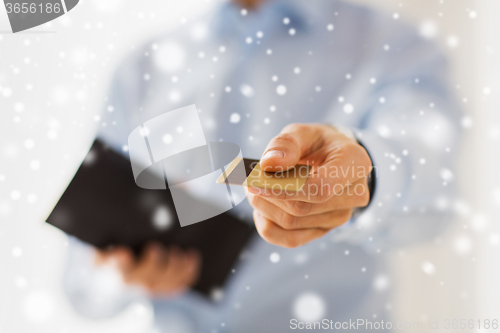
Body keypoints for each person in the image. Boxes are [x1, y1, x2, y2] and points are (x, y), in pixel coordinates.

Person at [62, 0, 461, 331]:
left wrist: (367, 174)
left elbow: (433, 194)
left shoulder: (394, 47)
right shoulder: (141, 70)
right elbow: (81, 285)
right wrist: (122, 275)